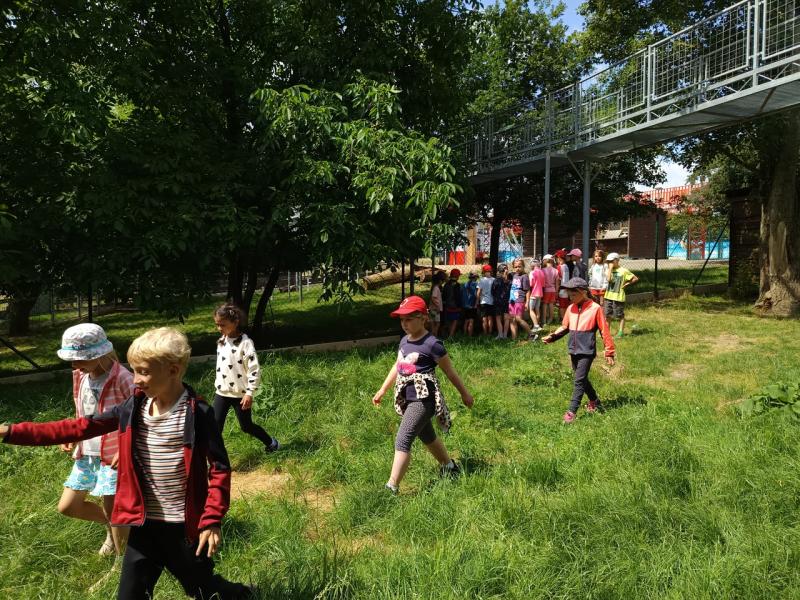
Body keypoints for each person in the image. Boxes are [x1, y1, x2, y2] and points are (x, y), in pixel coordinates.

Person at [1, 328, 253, 600]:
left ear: (172, 370)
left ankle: (241, 595)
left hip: (182, 528)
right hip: (143, 525)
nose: (136, 380)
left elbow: (219, 469)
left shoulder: (198, 413)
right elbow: (77, 427)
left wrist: (211, 520)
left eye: (144, 372)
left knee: (203, 590)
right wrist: (10, 432)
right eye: (134, 371)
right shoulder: (133, 408)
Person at [372, 296, 474, 494]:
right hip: (407, 398)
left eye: (409, 319)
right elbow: (398, 365)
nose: (404, 324)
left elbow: (450, 372)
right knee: (427, 435)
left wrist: (465, 394)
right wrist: (383, 389)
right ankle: (449, 466)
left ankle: (391, 487)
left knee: (403, 439)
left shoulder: (432, 344)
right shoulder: (404, 341)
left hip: (423, 400)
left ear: (423, 318)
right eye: (402, 320)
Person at [55, 323, 134, 556]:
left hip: (113, 456)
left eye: (78, 359)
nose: (73, 364)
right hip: (87, 454)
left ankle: (123, 560)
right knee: (68, 506)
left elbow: (139, 415)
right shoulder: (80, 376)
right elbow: (82, 411)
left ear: (98, 355)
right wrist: (73, 434)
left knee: (114, 509)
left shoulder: (123, 379)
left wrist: (126, 447)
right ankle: (114, 529)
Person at [542, 278, 616, 423]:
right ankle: (595, 400)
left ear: (583, 292)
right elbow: (565, 327)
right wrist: (552, 337)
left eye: (573, 294)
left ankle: (571, 412)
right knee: (581, 378)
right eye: (569, 295)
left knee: (579, 381)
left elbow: (604, 330)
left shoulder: (595, 308)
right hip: (573, 350)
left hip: (587, 351)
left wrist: (609, 351)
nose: (571, 298)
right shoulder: (571, 308)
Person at [213, 303, 279, 453]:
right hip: (222, 393)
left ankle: (272, 443)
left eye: (222, 325)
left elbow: (254, 370)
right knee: (215, 427)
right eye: (217, 325)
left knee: (246, 426)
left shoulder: (246, 344)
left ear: (235, 322)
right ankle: (216, 459)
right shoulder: (222, 341)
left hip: (240, 395)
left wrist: (249, 393)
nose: (219, 328)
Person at [604, 252, 639, 337]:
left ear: (617, 260)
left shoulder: (624, 271)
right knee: (607, 315)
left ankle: (620, 332)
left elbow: (635, 278)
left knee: (619, 315)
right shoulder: (608, 270)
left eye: (611, 261)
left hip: (618, 297)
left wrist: (627, 283)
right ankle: (607, 332)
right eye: (608, 261)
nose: (609, 263)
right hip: (608, 296)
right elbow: (609, 279)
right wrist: (610, 269)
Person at [506, 258, 531, 340]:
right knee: (512, 320)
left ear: (523, 266)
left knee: (519, 319)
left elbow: (527, 290)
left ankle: (531, 334)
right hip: (511, 301)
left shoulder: (525, 277)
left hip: (519, 301)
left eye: (519, 266)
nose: (517, 268)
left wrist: (527, 302)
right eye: (515, 267)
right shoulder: (514, 276)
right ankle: (514, 338)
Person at [441, 268, 464, 338]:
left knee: (448, 320)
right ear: (457, 276)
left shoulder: (446, 285)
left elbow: (443, 296)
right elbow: (461, 296)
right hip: (456, 306)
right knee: (455, 320)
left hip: (447, 306)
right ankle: (451, 335)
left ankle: (448, 333)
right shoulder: (459, 286)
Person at [491, 264, 511, 339]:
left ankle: (500, 334)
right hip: (506, 301)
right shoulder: (510, 280)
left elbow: (492, 291)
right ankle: (505, 335)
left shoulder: (496, 280)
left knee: (498, 318)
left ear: (499, 271)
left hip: (498, 301)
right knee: (506, 318)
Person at [476, 264, 495, 336]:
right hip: (491, 301)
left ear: (483, 272)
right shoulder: (494, 280)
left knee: (484, 318)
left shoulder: (482, 280)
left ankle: (485, 333)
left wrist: (477, 301)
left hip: (483, 302)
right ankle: (490, 333)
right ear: (491, 271)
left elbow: (478, 292)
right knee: (490, 318)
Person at [528, 259, 545, 334]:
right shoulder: (541, 272)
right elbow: (543, 284)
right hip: (540, 293)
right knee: (537, 309)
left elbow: (531, 284)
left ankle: (536, 326)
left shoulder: (532, 272)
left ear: (532, 265)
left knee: (531, 310)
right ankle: (537, 325)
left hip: (533, 293)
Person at [542, 254, 559, 325]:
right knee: (551, 304)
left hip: (546, 290)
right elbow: (557, 283)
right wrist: (556, 291)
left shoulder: (543, 270)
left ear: (545, 261)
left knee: (545, 304)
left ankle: (544, 319)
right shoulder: (556, 270)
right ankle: (551, 318)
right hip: (553, 290)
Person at [461, 272, 479, 336]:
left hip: (465, 305)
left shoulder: (465, 284)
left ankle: (464, 334)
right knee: (471, 320)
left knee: (466, 320)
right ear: (475, 277)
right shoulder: (475, 284)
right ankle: (469, 336)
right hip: (472, 305)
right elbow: (476, 295)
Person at [555, 250, 571, 320]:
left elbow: (558, 279)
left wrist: (557, 289)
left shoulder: (559, 267)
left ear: (559, 258)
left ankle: (563, 319)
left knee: (561, 305)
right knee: (565, 304)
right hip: (566, 288)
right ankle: (565, 318)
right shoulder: (566, 266)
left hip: (561, 289)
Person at [428, 271, 445, 336]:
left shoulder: (435, 287)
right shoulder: (436, 288)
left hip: (433, 309)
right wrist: (438, 307)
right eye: (442, 281)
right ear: (440, 281)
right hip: (435, 309)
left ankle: (433, 334)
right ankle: (434, 334)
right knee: (437, 323)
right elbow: (433, 297)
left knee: (433, 322)